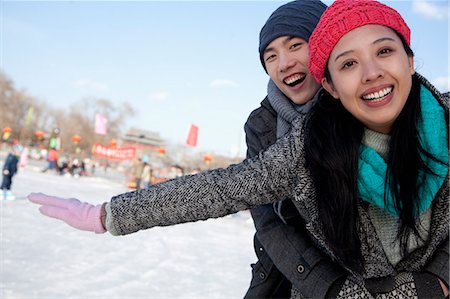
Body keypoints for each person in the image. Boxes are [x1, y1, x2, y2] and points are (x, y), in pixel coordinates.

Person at [28, 0, 448, 297]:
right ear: (331, 85)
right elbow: (223, 189)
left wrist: (439, 281)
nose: (372, 73)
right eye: (349, 63)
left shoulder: (445, 118)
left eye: (385, 52)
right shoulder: (301, 146)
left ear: (410, 60)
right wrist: (107, 215)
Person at [243, 1, 345, 298]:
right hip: (285, 275)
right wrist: (320, 282)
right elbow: (266, 217)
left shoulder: (359, 106)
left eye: (296, 45)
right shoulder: (260, 124)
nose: (283, 63)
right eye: (270, 56)